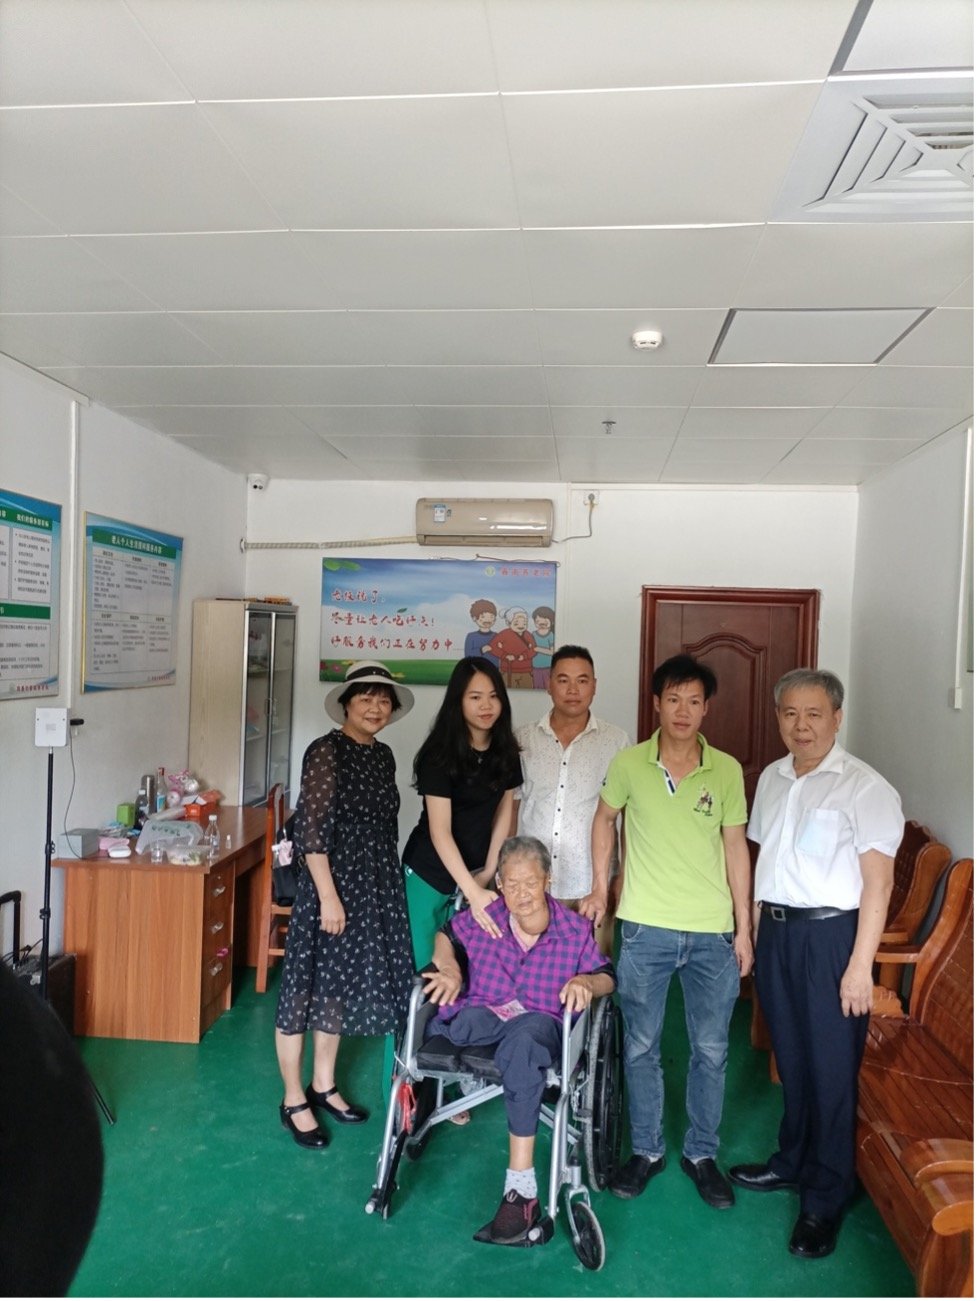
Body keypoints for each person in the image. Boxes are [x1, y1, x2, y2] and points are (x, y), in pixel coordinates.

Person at [729, 668, 902, 1260]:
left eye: (814, 715)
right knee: (793, 1059)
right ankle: (791, 1161)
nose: (800, 727)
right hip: (777, 936)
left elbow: (878, 886)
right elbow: (765, 862)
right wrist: (749, 932)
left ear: (836, 717)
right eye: (789, 715)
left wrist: (861, 968)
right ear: (778, 717)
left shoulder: (865, 787)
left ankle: (827, 1196)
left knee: (831, 1070)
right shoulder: (774, 779)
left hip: (833, 940)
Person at [590, 654, 753, 1209]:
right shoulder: (629, 763)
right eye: (673, 699)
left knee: (711, 1049)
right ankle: (648, 1150)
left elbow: (736, 849)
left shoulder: (726, 770)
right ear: (656, 703)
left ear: (707, 708)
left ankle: (702, 1153)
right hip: (644, 929)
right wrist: (600, 885)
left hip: (712, 933)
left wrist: (745, 928)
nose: (683, 711)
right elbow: (603, 819)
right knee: (640, 1046)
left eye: (694, 701)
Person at [422, 835, 615, 1244]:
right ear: (501, 886)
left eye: (530, 883)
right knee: (458, 1024)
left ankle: (521, 1189)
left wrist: (586, 982)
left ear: (547, 880)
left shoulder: (575, 930)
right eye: (511, 884)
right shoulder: (486, 913)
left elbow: (607, 978)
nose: (521, 893)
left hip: (538, 1024)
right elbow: (446, 936)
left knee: (523, 1045)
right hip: (488, 1012)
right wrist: (450, 968)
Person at [274, 661, 415, 1148]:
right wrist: (330, 898)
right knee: (304, 988)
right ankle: (294, 1099)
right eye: (365, 698)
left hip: (375, 885)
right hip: (330, 888)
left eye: (383, 700)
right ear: (347, 704)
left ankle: (324, 1084)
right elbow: (312, 833)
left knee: (336, 988)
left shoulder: (383, 755)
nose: (375, 707)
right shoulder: (325, 752)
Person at [402, 656, 523, 964]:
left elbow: (503, 817)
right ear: (458, 702)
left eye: (494, 696)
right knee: (427, 967)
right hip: (429, 873)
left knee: (468, 966)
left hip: (477, 873)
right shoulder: (439, 755)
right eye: (475, 697)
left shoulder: (506, 750)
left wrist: (488, 871)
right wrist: (472, 890)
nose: (487, 705)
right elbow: (439, 830)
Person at [513, 644, 629, 950]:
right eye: (563, 680)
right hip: (531, 881)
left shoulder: (616, 742)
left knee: (590, 974)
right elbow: (510, 808)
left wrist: (622, 876)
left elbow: (628, 817)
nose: (573, 689)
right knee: (531, 973)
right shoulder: (521, 739)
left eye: (582, 680)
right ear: (549, 685)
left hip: (591, 885)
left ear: (594, 686)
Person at [487, 608, 535, 690]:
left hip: (526, 671)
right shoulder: (504, 634)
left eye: (524, 623)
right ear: (508, 623)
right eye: (516, 623)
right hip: (507, 671)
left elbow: (534, 650)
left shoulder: (528, 635)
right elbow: (492, 647)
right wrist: (505, 655)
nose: (521, 626)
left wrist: (524, 656)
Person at [463, 598, 499, 667]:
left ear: (495, 619)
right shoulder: (471, 636)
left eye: (491, 617)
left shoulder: (497, 636)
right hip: (476, 669)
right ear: (474, 618)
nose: (487, 620)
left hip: (494, 669)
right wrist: (481, 650)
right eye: (483, 617)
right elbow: (467, 656)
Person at [529, 606, 555, 690]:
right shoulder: (533, 634)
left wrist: (538, 649)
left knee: (549, 688)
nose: (542, 624)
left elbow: (552, 651)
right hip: (535, 667)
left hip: (548, 667)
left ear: (551, 622)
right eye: (538, 622)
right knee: (537, 686)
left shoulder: (551, 635)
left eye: (545, 622)